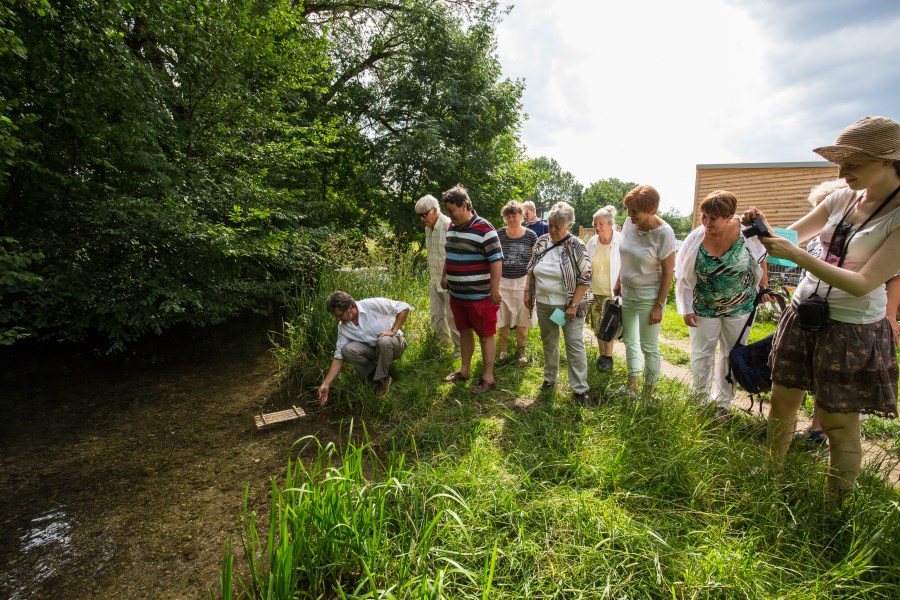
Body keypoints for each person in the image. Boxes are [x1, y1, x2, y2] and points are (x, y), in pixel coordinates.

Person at [744, 115, 900, 501]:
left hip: (851, 326)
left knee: (838, 422)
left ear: (888, 160)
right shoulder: (840, 198)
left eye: (855, 162)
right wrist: (763, 229)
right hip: (803, 311)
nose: (843, 170)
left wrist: (798, 255)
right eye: (840, 161)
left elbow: (864, 283)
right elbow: (790, 237)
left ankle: (834, 508)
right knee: (782, 397)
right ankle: (771, 472)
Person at [675, 190, 769, 419]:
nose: (706, 223)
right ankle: (700, 400)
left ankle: (723, 404)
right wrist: (686, 308)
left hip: (741, 308)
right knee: (702, 354)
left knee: (731, 354)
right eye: (703, 216)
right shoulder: (696, 238)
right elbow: (684, 275)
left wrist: (764, 287)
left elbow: (762, 258)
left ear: (728, 217)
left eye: (712, 218)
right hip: (704, 307)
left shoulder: (748, 234)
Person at [525, 201, 594, 405]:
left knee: (574, 345)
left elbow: (586, 277)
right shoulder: (542, 241)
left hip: (566, 308)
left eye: (557, 226)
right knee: (549, 342)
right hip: (545, 304)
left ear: (569, 225)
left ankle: (580, 390)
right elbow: (531, 269)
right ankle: (549, 379)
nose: (553, 229)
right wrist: (527, 293)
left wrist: (573, 305)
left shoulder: (576, 246)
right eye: (551, 224)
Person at [614, 185, 677, 397]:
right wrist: (618, 280)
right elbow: (627, 254)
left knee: (648, 346)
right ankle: (631, 386)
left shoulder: (664, 233)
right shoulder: (630, 223)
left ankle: (648, 394)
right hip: (628, 293)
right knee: (630, 341)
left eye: (635, 212)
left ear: (651, 210)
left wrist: (659, 306)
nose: (630, 216)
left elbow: (668, 273)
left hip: (649, 298)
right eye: (628, 210)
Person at [440, 184, 503, 393]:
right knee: (464, 331)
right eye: (447, 211)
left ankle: (488, 377)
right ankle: (464, 370)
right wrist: (444, 275)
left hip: (480, 296)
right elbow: (449, 254)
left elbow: (496, 260)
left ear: (465, 205)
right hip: (457, 295)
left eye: (452, 210)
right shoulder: (452, 227)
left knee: (485, 334)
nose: (449, 216)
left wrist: (494, 290)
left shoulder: (485, 229)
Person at [317, 291, 412, 406]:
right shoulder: (343, 327)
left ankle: (382, 378)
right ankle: (376, 378)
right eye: (336, 316)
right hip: (375, 349)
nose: (338, 319)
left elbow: (404, 307)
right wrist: (326, 383)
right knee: (346, 350)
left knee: (384, 341)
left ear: (350, 307)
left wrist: (393, 330)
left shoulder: (371, 304)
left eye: (340, 315)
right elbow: (338, 357)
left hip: (394, 345)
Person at [415, 194, 460, 355]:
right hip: (434, 279)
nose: (422, 219)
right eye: (419, 215)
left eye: (424, 214)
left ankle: (460, 348)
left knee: (453, 316)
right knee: (436, 315)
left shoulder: (449, 225)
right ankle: (444, 346)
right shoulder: (428, 228)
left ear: (435, 210)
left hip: (450, 279)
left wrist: (447, 276)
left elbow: (454, 253)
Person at [496, 200, 537, 362]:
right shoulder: (499, 234)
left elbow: (535, 261)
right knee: (503, 319)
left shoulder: (530, 235)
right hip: (503, 282)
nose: (511, 219)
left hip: (523, 282)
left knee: (523, 319)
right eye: (508, 216)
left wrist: (531, 285)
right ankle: (503, 352)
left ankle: (522, 353)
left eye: (514, 216)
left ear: (521, 216)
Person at [586, 205, 622, 371]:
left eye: (600, 224)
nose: (597, 227)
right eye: (595, 224)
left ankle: (608, 357)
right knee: (598, 327)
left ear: (610, 224)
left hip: (612, 292)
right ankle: (602, 356)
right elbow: (586, 265)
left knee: (608, 326)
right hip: (594, 291)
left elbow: (627, 265)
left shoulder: (620, 241)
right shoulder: (592, 242)